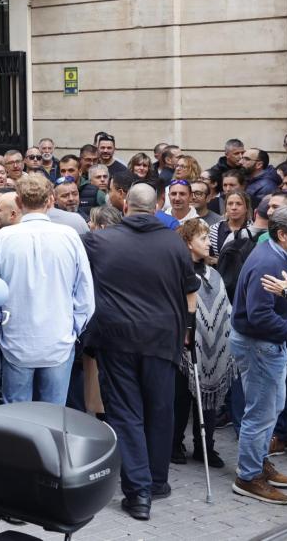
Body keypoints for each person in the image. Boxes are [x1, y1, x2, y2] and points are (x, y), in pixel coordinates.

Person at [82, 183, 199, 520]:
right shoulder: (175, 244)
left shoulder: (100, 239)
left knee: (126, 412)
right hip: (162, 338)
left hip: (117, 337)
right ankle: (155, 482)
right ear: (158, 205)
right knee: (160, 409)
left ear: (125, 205)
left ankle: (139, 492)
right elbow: (189, 290)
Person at [230, 205, 287, 504]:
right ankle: (248, 477)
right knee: (260, 413)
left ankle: (258, 464)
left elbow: (283, 305)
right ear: (282, 234)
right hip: (259, 346)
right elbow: (260, 317)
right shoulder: (269, 261)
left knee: (271, 408)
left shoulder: (279, 254)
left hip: (268, 345)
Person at [0, 173, 94, 404]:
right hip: (58, 339)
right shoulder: (69, 236)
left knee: (17, 419)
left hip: (17, 339)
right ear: (51, 201)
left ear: (18, 202)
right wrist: (73, 328)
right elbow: (85, 293)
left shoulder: (4, 237)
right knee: (53, 416)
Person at [171, 219, 233, 470]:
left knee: (209, 401)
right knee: (181, 399)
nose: (209, 243)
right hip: (184, 348)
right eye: (203, 239)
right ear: (188, 243)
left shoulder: (213, 274)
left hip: (212, 348)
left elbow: (223, 307)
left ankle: (205, 445)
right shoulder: (177, 272)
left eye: (208, 238)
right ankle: (174, 443)